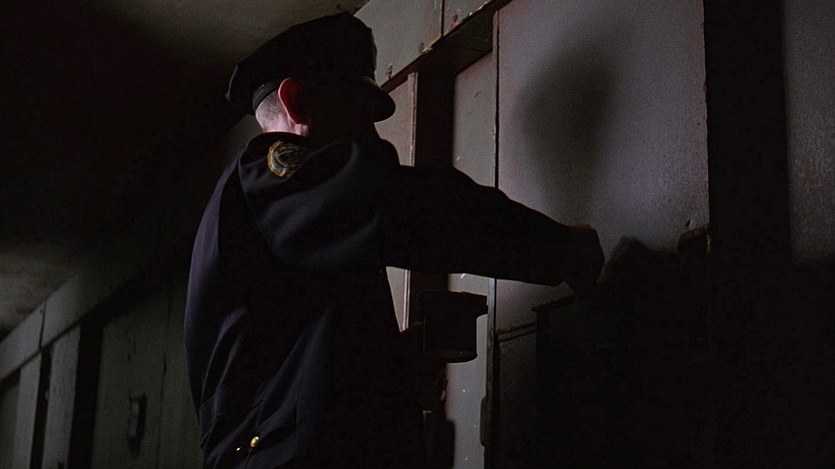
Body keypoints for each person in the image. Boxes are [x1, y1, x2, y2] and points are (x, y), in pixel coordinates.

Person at [185, 12, 604, 469]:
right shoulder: (267, 175)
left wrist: (390, 367)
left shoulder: (290, 213)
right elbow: (403, 204)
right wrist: (560, 250)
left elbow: (286, 369)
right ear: (298, 102)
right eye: (359, 117)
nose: (371, 137)